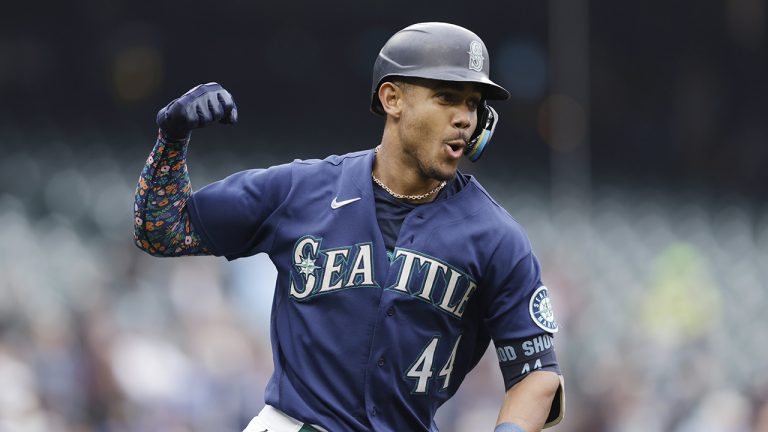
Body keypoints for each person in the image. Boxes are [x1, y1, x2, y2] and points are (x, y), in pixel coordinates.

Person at [134, 22, 564, 432]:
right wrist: (172, 140)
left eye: (473, 103)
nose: (464, 118)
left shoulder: (497, 237)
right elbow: (161, 229)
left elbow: (537, 375)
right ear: (393, 98)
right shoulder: (300, 190)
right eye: (446, 96)